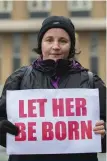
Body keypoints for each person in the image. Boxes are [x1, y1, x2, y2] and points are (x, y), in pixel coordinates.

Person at [0, 16, 106, 161]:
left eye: (63, 41)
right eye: (49, 40)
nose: (56, 46)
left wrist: (103, 133)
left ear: (71, 46)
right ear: (41, 44)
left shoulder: (91, 82)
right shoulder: (18, 79)